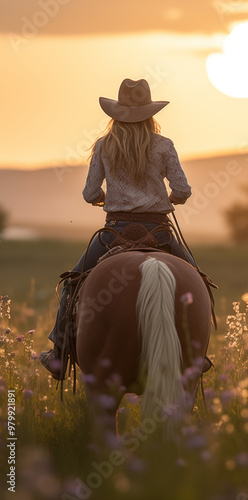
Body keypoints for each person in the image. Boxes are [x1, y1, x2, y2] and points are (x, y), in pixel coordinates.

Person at [39, 78, 198, 380]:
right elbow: (182, 189)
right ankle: (197, 354)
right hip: (159, 232)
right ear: (151, 113)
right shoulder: (164, 146)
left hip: (115, 232)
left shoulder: (104, 146)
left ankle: (58, 356)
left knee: (72, 285)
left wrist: (101, 198)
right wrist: (175, 197)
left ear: (116, 113)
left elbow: (89, 193)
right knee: (197, 281)